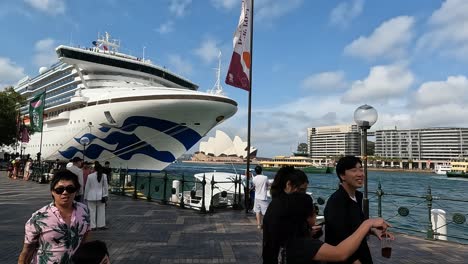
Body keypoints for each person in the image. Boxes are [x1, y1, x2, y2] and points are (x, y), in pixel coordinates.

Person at [263, 167, 391, 264]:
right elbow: (340, 253)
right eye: (302, 190)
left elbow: (282, 236)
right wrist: (368, 224)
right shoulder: (298, 241)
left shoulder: (277, 206)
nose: (361, 174)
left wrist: (307, 232)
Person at [324, 156, 394, 264]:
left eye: (361, 169)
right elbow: (338, 241)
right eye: (354, 170)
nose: (360, 174)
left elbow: (356, 226)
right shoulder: (336, 202)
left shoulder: (357, 196)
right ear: (342, 175)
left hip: (363, 255)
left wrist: (375, 231)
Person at [18, 170, 90, 264]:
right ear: (52, 191)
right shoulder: (39, 218)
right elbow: (27, 251)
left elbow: (86, 233)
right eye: (59, 190)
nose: (65, 193)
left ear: (76, 191)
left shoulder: (84, 210)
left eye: (70, 189)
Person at [85, 161, 109, 230]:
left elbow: (87, 187)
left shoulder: (90, 176)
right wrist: (106, 195)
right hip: (101, 196)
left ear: (94, 169)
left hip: (91, 196)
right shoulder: (104, 175)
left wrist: (85, 196)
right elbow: (105, 186)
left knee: (92, 211)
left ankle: (93, 226)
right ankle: (101, 225)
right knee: (101, 211)